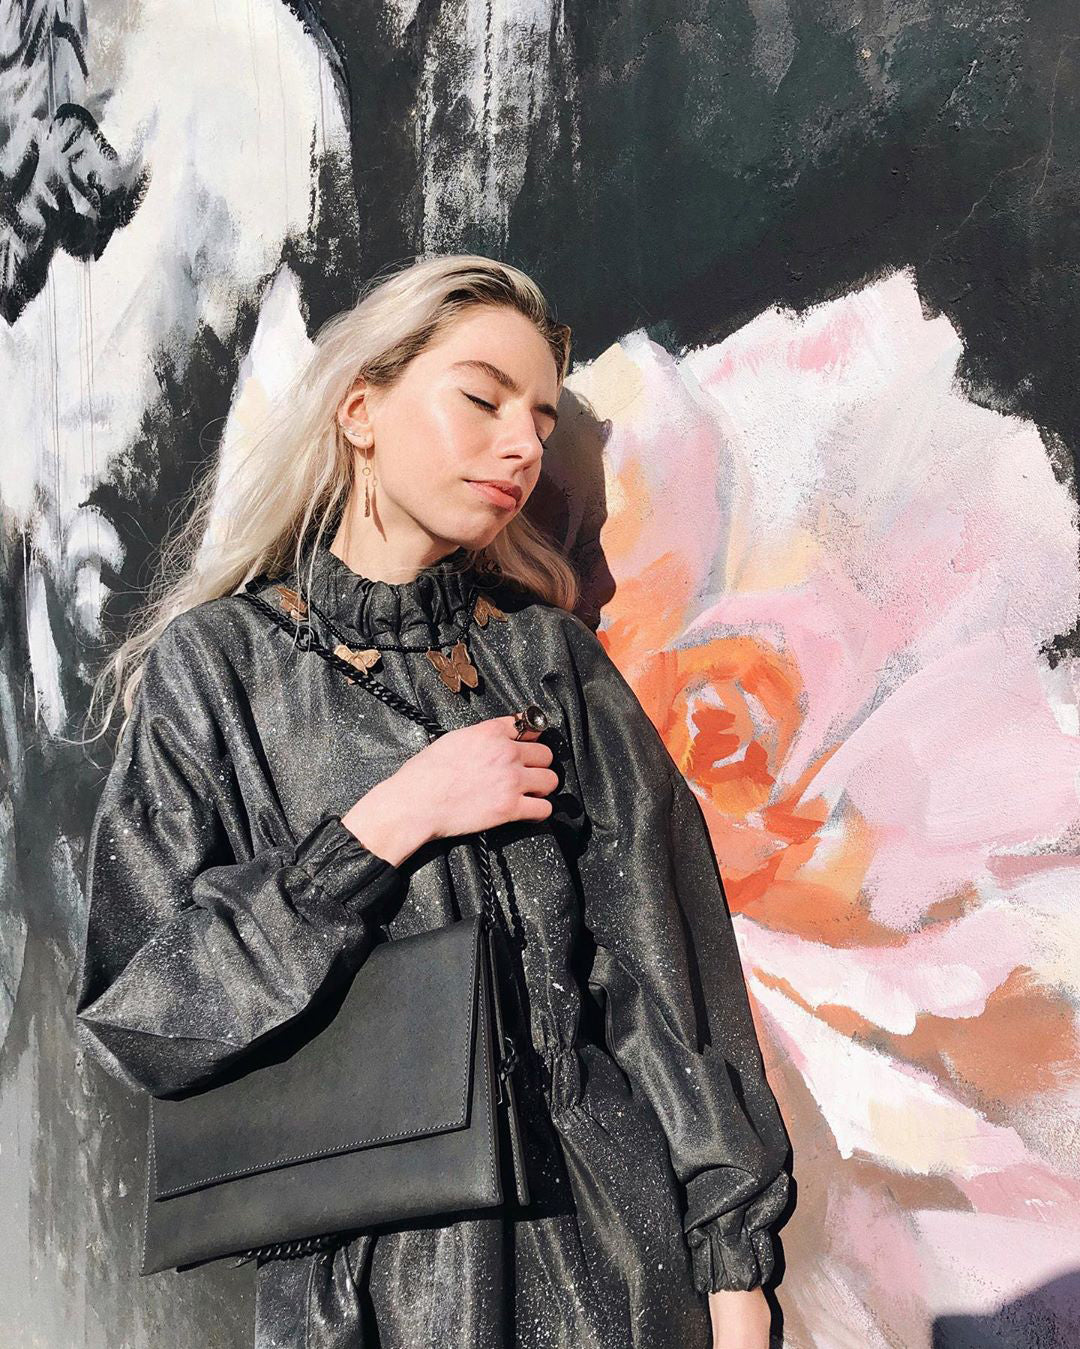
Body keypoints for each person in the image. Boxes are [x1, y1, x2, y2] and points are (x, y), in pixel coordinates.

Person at [74, 253, 793, 1349]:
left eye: (543, 420)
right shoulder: (216, 670)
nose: (521, 444)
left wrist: (736, 1274)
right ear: (361, 409)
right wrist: (382, 825)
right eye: (481, 397)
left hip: (611, 1252)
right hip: (365, 1282)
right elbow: (144, 1013)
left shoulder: (547, 662)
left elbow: (659, 972)